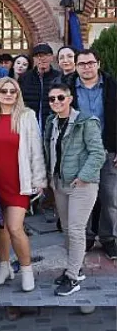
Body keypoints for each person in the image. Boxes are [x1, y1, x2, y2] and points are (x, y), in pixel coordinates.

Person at [0, 78, 47, 320]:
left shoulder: (26, 116)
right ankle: (4, 267)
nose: (8, 94)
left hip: (19, 182)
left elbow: (35, 150)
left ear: (18, 94)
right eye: (3, 91)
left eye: (12, 91)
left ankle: (26, 270)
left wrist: (40, 180)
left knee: (15, 228)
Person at [43, 83, 105, 296]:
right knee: (68, 230)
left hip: (82, 184)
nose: (56, 102)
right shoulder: (51, 122)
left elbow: (98, 153)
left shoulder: (86, 121)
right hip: (60, 183)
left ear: (69, 98)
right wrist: (49, 178)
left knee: (77, 230)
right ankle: (75, 268)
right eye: (52, 99)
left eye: (60, 97)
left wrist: (84, 176)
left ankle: (72, 278)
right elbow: (49, 151)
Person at [68, 49, 117, 259]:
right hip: (80, 152)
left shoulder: (113, 87)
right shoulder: (67, 87)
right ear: (76, 66)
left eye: (90, 63)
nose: (86, 67)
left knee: (110, 199)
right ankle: (85, 237)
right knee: (82, 196)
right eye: (82, 63)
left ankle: (109, 238)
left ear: (98, 63)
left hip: (108, 150)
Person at [19, 43, 61, 135]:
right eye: (38, 56)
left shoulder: (59, 77)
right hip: (29, 127)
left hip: (53, 126)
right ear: (34, 59)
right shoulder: (24, 78)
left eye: (46, 55)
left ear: (52, 57)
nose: (42, 58)